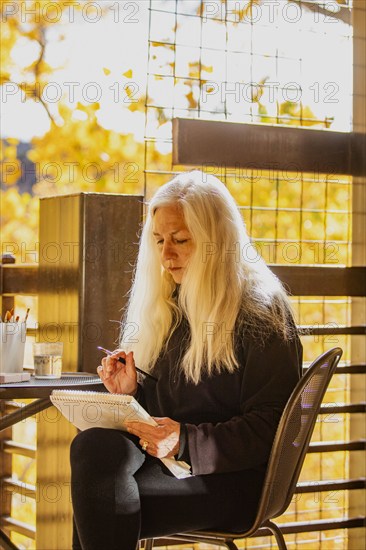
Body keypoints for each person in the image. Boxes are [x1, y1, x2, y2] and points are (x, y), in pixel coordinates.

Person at [70, 170, 303, 550]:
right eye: (159, 240)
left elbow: (273, 426)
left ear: (217, 242)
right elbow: (165, 416)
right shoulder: (171, 304)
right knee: (92, 449)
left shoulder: (261, 311)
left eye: (180, 240)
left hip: (233, 477)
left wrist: (186, 442)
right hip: (169, 463)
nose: (165, 255)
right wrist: (131, 394)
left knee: (98, 498)